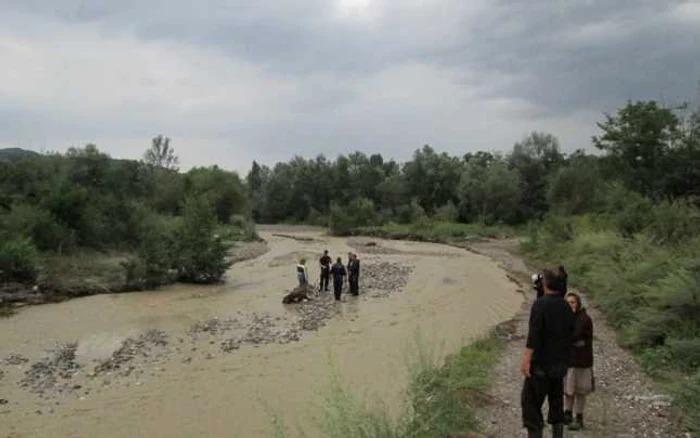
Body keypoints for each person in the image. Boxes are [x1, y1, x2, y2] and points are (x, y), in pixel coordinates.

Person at [520, 268, 574, 438]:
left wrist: (526, 360)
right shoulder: (566, 306)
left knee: (531, 405)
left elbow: (534, 334)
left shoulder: (540, 305)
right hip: (560, 365)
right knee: (556, 404)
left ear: (545, 284)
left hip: (540, 365)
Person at [564, 292, 594, 431]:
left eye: (572, 302)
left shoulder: (584, 319)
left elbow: (574, 336)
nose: (570, 305)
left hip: (582, 361)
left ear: (578, 303)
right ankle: (567, 414)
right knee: (568, 390)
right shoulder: (567, 318)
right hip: (569, 360)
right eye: (567, 302)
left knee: (580, 391)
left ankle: (579, 419)